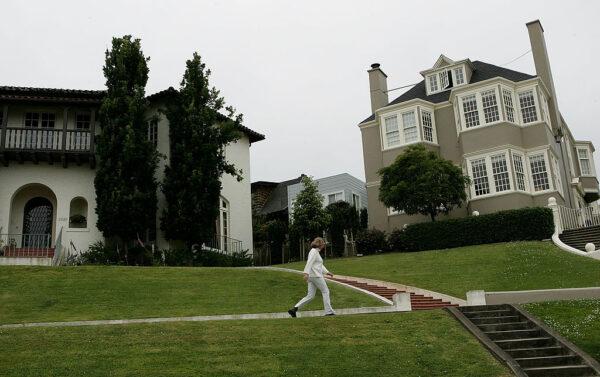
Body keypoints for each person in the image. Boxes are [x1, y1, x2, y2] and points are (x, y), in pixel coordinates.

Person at [288, 237, 335, 317]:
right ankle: (328, 311)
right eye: (323, 243)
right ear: (320, 244)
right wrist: (306, 273)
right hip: (316, 276)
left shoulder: (316, 252)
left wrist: (327, 272)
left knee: (310, 295)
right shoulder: (313, 252)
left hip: (312, 276)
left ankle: (294, 309)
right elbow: (309, 262)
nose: (324, 245)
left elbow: (319, 264)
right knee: (325, 291)